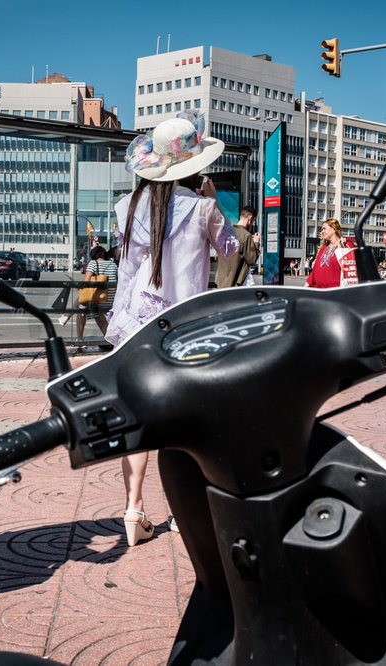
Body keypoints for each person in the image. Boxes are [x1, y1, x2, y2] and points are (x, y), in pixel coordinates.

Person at [105, 110, 240, 547]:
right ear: (194, 168)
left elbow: (125, 271)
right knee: (187, 420)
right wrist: (214, 201)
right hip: (184, 329)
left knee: (140, 418)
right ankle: (185, 512)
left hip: (134, 324)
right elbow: (232, 250)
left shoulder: (127, 206)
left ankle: (133, 509)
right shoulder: (203, 209)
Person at [75, 244, 118, 350]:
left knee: (81, 308)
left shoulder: (93, 263)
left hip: (100, 300)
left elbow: (85, 282)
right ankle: (110, 340)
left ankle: (79, 340)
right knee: (95, 312)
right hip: (112, 300)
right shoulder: (113, 265)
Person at [215, 205, 261, 288]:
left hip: (222, 283)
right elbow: (252, 260)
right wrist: (256, 243)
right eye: (253, 221)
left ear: (240, 216)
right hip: (236, 284)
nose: (252, 225)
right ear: (250, 218)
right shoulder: (246, 236)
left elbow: (217, 256)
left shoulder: (225, 232)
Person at [304, 219, 349, 288]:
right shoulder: (322, 249)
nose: (322, 232)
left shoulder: (345, 246)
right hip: (319, 292)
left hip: (336, 292)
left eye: (324, 229)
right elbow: (314, 272)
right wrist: (305, 288)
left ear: (333, 229)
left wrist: (345, 243)